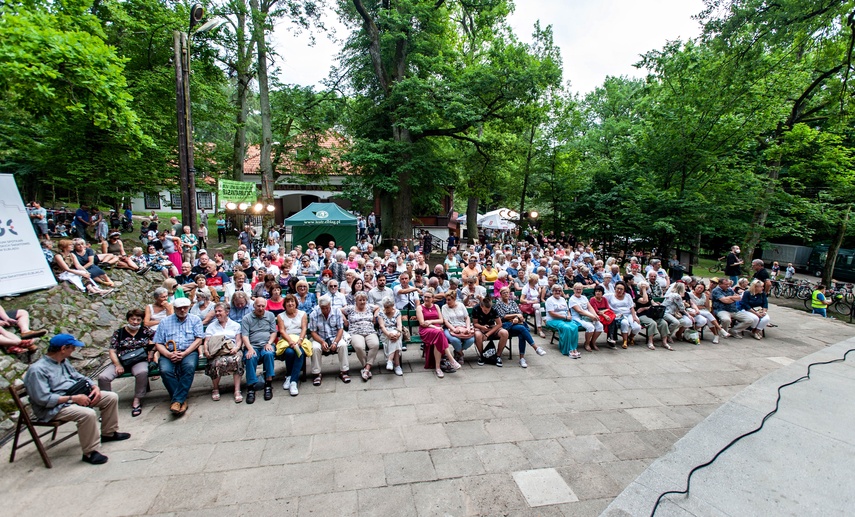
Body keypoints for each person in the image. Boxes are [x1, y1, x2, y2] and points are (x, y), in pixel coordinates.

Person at [24, 333, 130, 465]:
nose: (74, 350)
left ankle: (109, 433)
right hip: (54, 407)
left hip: (75, 396)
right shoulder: (37, 370)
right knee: (87, 414)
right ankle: (90, 452)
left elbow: (78, 376)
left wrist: (93, 386)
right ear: (63, 348)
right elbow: (43, 399)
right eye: (72, 347)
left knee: (110, 397)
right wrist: (73, 398)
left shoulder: (63, 361)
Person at [152, 297, 205, 415]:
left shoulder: (195, 320)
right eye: (179, 308)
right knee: (165, 370)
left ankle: (177, 401)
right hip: (169, 352)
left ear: (189, 307)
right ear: (174, 308)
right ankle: (181, 400)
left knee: (189, 367)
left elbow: (198, 340)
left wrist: (185, 353)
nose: (182, 310)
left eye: (185, 307)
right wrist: (169, 354)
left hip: (189, 351)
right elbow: (158, 343)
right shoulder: (165, 322)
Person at [97, 309, 153, 418]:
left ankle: (137, 400)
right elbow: (112, 350)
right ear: (128, 319)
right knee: (103, 377)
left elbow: (156, 341)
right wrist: (117, 364)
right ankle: (106, 405)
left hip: (139, 359)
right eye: (133, 319)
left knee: (142, 372)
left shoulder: (146, 330)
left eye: (138, 319)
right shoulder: (119, 332)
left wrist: (150, 352)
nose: (135, 322)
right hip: (122, 360)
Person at [203, 303, 245, 403]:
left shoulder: (235, 325)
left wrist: (236, 348)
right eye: (216, 311)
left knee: (237, 359)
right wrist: (206, 351)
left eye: (219, 311)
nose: (217, 313)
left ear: (227, 312)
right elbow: (206, 342)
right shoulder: (211, 327)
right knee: (215, 363)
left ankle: (237, 390)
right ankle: (216, 388)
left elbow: (239, 340)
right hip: (217, 352)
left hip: (232, 349)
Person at [495, 286, 545, 368]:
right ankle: (536, 348)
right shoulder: (498, 304)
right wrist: (515, 315)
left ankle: (522, 359)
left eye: (507, 292)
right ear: (500, 294)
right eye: (504, 293)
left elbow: (520, 314)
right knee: (522, 329)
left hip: (516, 323)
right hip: (506, 326)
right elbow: (502, 317)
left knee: (522, 333)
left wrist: (516, 318)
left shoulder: (513, 302)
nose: (506, 294)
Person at [417, 288, 461, 378]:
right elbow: (422, 323)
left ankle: (438, 368)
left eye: (428, 297)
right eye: (425, 297)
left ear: (432, 298)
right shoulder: (420, 308)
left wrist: (431, 321)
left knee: (439, 335)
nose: (426, 299)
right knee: (440, 333)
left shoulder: (436, 306)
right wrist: (433, 326)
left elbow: (441, 320)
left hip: (437, 329)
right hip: (426, 330)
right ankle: (451, 359)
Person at [241, 297, 277, 404]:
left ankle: (268, 384)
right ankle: (251, 387)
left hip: (266, 344)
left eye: (263, 306)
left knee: (269, 354)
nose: (260, 308)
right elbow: (245, 336)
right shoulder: (246, 318)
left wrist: (269, 343)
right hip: (253, 345)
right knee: (250, 357)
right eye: (258, 306)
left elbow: (273, 332)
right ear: (254, 306)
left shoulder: (270, 315)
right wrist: (250, 348)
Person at [308, 296, 350, 385]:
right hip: (320, 337)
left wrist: (335, 342)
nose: (325, 310)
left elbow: (340, 329)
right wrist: (322, 342)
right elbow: (313, 332)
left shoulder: (336, 311)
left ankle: (344, 371)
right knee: (315, 348)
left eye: (327, 307)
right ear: (319, 306)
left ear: (330, 305)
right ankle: (316, 373)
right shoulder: (314, 314)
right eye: (323, 308)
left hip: (334, 336)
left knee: (342, 345)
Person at [343, 292, 381, 382]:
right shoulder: (350, 308)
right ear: (356, 300)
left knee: (375, 344)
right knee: (359, 346)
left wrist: (375, 315)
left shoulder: (369, 307)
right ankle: (366, 368)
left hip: (369, 331)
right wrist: (344, 319)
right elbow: (337, 310)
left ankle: (366, 369)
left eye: (364, 300)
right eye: (360, 300)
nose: (362, 302)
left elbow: (378, 307)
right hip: (355, 332)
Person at [276, 294, 309, 396]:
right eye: (288, 302)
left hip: (300, 338)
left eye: (292, 301)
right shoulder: (280, 316)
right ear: (285, 304)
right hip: (287, 339)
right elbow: (281, 330)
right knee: (290, 352)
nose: (290, 304)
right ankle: (289, 376)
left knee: (300, 352)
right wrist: (290, 341)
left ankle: (293, 381)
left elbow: (304, 328)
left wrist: (300, 340)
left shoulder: (302, 314)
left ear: (296, 303)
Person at [544, 284, 581, 358]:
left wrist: (569, 315)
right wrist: (565, 317)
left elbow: (567, 310)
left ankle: (574, 348)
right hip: (553, 320)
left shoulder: (563, 299)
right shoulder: (549, 300)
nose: (557, 292)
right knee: (566, 327)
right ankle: (567, 350)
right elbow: (551, 313)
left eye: (559, 291)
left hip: (565, 319)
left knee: (574, 327)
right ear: (552, 291)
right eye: (555, 291)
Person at [472, 297, 509, 367]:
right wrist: (482, 327)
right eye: (485, 310)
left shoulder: (494, 308)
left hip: (491, 327)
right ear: (481, 306)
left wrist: (488, 334)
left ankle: (498, 356)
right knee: (477, 335)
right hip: (480, 327)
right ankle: (482, 355)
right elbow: (475, 323)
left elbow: (499, 324)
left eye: (488, 310)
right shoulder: (476, 308)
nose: (487, 312)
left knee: (505, 333)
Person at [441, 290, 476, 362]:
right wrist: (454, 329)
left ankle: (457, 352)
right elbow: (446, 321)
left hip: (463, 326)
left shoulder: (461, 305)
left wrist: (468, 328)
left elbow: (467, 317)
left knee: (471, 340)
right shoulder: (444, 307)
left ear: (454, 299)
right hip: (450, 327)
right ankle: (461, 354)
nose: (447, 302)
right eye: (446, 300)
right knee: (454, 340)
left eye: (449, 300)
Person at [568, 283, 603, 352]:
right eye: (577, 289)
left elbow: (590, 307)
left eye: (580, 289)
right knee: (590, 327)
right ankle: (587, 343)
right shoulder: (572, 299)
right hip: (578, 318)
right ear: (574, 290)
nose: (578, 291)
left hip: (588, 315)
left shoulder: (584, 297)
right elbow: (579, 311)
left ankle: (592, 342)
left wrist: (595, 315)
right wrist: (591, 316)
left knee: (600, 326)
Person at [377, 297, 404, 376]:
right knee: (394, 339)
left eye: (388, 307)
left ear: (392, 305)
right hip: (385, 334)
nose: (386, 309)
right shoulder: (380, 313)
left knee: (395, 337)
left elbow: (399, 325)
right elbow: (382, 326)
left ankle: (389, 360)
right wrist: (388, 334)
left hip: (396, 332)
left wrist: (398, 334)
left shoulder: (397, 312)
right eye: (385, 307)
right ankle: (397, 365)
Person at [520, 274, 546, 338]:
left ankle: (540, 330)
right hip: (529, 305)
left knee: (537, 311)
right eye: (536, 279)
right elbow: (521, 300)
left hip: (536, 306)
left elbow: (540, 288)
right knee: (540, 307)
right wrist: (532, 302)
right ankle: (546, 321)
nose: (537, 280)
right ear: (532, 280)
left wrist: (539, 291)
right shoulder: (526, 288)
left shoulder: (535, 286)